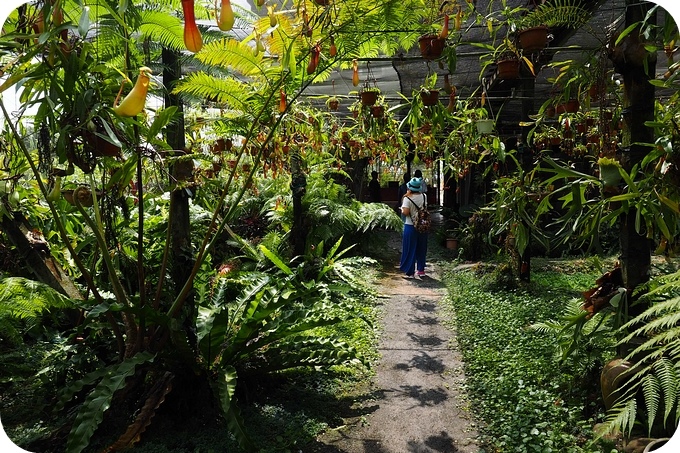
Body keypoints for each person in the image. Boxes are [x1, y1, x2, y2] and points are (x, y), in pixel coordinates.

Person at [399, 177, 428, 279]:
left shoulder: (407, 199)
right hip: (422, 225)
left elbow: (406, 212)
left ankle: (410, 271)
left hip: (410, 226)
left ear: (409, 188)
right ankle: (421, 270)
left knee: (410, 248)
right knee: (421, 248)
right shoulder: (424, 196)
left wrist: (402, 210)